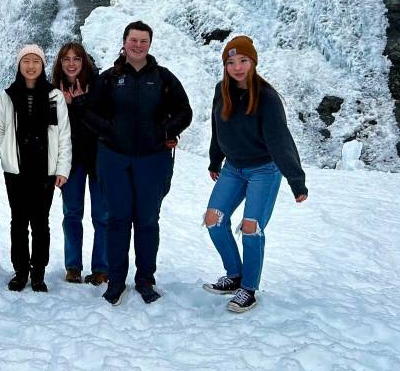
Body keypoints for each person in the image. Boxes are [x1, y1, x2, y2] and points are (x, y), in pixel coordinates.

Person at [82, 21, 192, 306]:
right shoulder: (109, 78)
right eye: (134, 40)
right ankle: (116, 280)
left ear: (150, 44)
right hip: (114, 157)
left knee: (147, 221)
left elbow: (184, 111)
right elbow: (89, 111)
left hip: (153, 159)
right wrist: (109, 131)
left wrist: (165, 132)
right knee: (117, 219)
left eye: (144, 41)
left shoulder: (163, 78)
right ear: (124, 42)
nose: (138, 45)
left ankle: (145, 279)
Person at [203, 35, 308, 313]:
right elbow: (218, 128)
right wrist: (215, 160)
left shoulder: (267, 98)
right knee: (213, 220)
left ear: (253, 62)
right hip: (233, 168)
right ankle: (235, 275)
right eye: (231, 62)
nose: (237, 67)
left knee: (251, 227)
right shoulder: (221, 91)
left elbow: (280, 141)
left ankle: (248, 289)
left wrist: (296, 181)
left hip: (264, 169)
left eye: (243, 61)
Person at [0, 44, 71, 293]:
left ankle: (38, 273)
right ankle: (20, 271)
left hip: (44, 168)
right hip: (16, 169)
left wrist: (62, 168)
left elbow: (63, 134)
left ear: (43, 65)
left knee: (40, 222)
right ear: (19, 65)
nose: (31, 66)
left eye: (36, 61)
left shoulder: (54, 96)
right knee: (18, 221)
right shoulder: (8, 95)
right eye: (26, 61)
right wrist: (4, 154)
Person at [52, 41, 108, 286]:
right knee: (72, 213)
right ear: (60, 63)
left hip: (99, 159)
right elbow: (51, 128)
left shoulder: (98, 87)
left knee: (102, 216)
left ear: (84, 61)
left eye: (76, 58)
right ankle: (73, 266)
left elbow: (104, 123)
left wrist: (78, 103)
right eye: (66, 59)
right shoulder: (54, 90)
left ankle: (101, 268)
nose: (71, 63)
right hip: (70, 161)